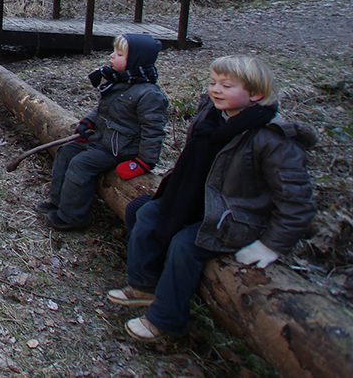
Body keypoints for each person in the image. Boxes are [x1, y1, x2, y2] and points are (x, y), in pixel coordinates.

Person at [108, 55, 317, 342]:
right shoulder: (212, 115)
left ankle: (165, 320)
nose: (215, 90)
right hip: (200, 201)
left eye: (226, 85)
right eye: (212, 83)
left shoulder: (273, 138)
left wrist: (271, 245)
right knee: (143, 213)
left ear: (255, 94)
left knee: (184, 245)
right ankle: (145, 285)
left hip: (236, 217)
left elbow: (297, 201)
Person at [39, 33, 168, 231]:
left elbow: (153, 132)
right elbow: (101, 110)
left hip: (120, 149)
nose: (111, 57)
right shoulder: (120, 81)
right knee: (66, 152)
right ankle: (58, 202)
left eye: (119, 54)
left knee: (80, 165)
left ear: (135, 60)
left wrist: (144, 162)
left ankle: (72, 216)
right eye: (113, 52)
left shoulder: (149, 94)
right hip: (102, 139)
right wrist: (87, 123)